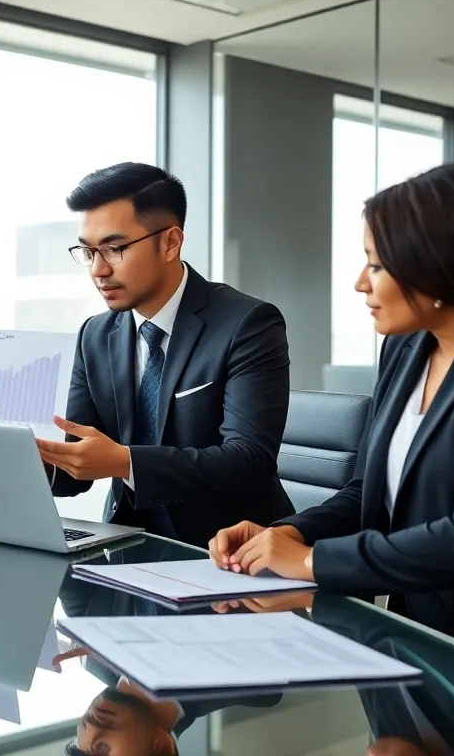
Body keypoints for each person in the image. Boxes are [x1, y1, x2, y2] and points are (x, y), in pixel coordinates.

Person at [208, 161, 454, 705]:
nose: (359, 284)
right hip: (416, 649)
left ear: (441, 265)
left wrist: (310, 565)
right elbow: (370, 493)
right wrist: (286, 535)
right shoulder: (407, 345)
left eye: (376, 265)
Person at [36, 162, 291, 548]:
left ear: (171, 242)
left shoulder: (248, 324)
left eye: (114, 248)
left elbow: (248, 460)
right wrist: (32, 459)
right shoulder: (95, 333)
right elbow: (76, 470)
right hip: (126, 546)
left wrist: (126, 461)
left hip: (228, 552)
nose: (98, 270)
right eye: (88, 252)